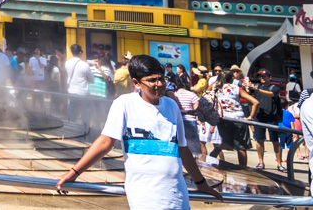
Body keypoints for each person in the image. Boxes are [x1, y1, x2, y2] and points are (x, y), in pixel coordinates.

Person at [57, 55, 219, 210]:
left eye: (161, 78)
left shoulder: (172, 106)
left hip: (177, 198)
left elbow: (182, 149)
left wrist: (201, 182)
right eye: (152, 80)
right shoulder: (125, 104)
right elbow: (105, 142)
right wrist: (74, 172)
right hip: (145, 199)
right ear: (136, 83)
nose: (159, 84)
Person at [210, 67, 258, 168]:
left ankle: (216, 151)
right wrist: (251, 117)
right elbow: (255, 102)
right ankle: (242, 168)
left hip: (223, 119)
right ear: (232, 78)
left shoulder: (216, 88)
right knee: (241, 147)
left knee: (227, 142)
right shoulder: (236, 89)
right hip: (238, 119)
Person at [248, 68, 285, 169]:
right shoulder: (256, 87)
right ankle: (261, 162)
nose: (262, 78)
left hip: (272, 118)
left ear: (270, 77)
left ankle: (279, 164)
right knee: (259, 140)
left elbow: (271, 94)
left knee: (275, 141)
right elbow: (249, 99)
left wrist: (257, 89)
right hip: (259, 117)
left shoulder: (274, 87)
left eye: (264, 76)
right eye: (260, 76)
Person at [65, 43, 93, 122]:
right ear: (80, 53)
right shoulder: (84, 65)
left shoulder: (67, 63)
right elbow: (91, 80)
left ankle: (72, 128)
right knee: (85, 113)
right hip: (83, 92)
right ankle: (84, 129)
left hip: (72, 91)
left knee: (72, 112)